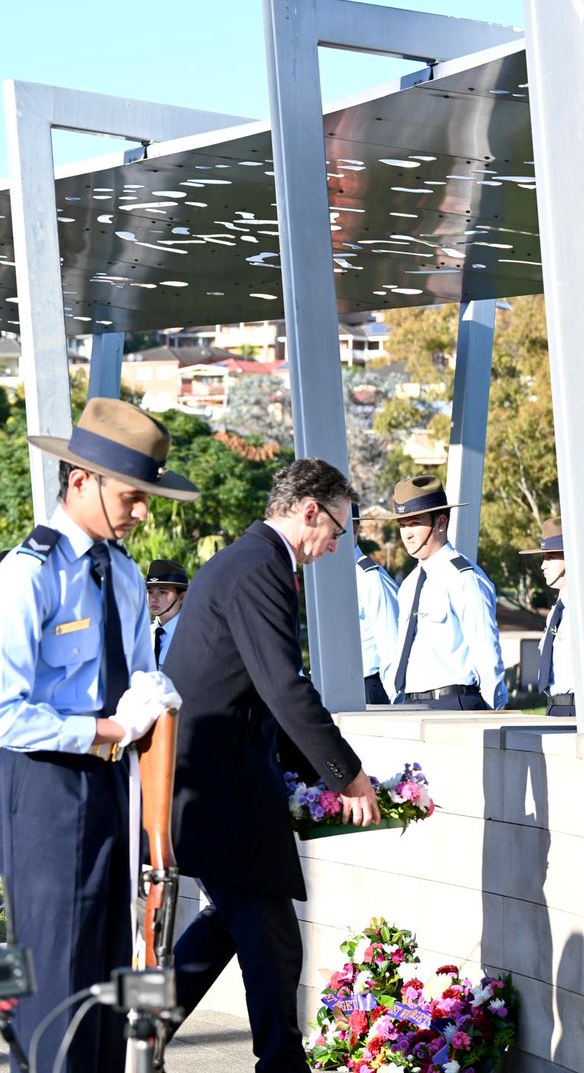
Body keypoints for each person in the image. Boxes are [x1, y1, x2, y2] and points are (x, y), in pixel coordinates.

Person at [0, 397, 198, 1073]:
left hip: (111, 787)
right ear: (81, 480)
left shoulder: (126, 575)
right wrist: (105, 727)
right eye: (132, 495)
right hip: (44, 787)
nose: (141, 511)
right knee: (54, 977)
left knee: (107, 974)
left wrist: (151, 699)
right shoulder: (29, 576)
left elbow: (140, 681)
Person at [165, 457, 381, 1073]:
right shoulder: (260, 567)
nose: (337, 545)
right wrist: (348, 775)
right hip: (220, 790)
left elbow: (259, 691)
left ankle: (124, 1029)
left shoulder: (249, 561)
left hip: (211, 784)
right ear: (310, 510)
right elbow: (284, 687)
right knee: (276, 944)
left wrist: (316, 777)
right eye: (338, 529)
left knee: (222, 933)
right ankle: (282, 1066)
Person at [389, 475, 507, 709]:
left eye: (415, 524)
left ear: (440, 523)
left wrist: (495, 711)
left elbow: (486, 649)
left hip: (454, 702)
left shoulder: (464, 577)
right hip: (410, 704)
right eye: (402, 525)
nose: (407, 534)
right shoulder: (409, 584)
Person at [520, 517, 574, 716]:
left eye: (550, 557)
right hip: (554, 707)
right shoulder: (556, 610)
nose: (543, 565)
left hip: (578, 709)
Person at [352, 503, 399, 704]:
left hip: (368, 688)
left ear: (353, 529)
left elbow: (392, 644)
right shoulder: (324, 582)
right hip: (328, 687)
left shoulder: (370, 578)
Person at [145, 559, 189, 670]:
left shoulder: (191, 636)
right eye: (150, 591)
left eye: (162, 592)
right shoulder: (144, 635)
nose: (154, 598)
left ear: (182, 597)